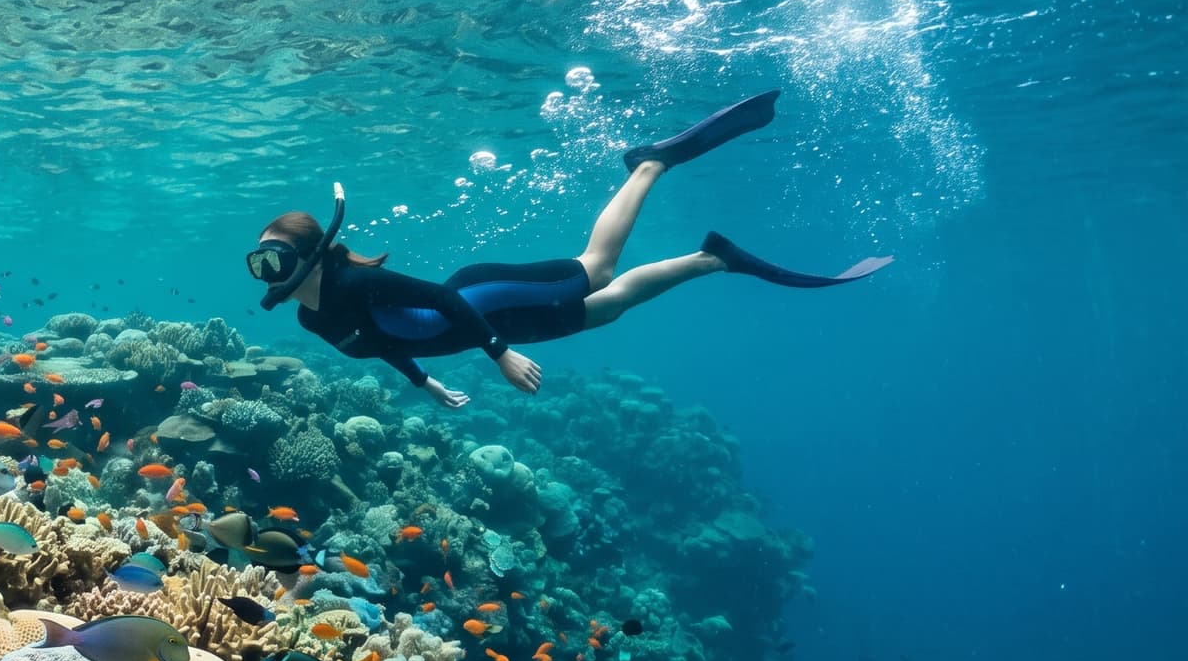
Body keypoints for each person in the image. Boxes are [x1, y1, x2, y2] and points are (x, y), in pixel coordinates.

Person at [246, 91, 891, 406]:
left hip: (483, 301)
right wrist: (428, 384)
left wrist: (498, 355)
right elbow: (384, 343)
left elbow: (443, 298)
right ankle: (715, 258)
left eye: (273, 257)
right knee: (605, 309)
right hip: (481, 330)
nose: (265, 270)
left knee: (595, 270)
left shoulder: (354, 284)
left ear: (314, 254)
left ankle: (649, 165)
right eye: (259, 261)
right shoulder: (310, 316)